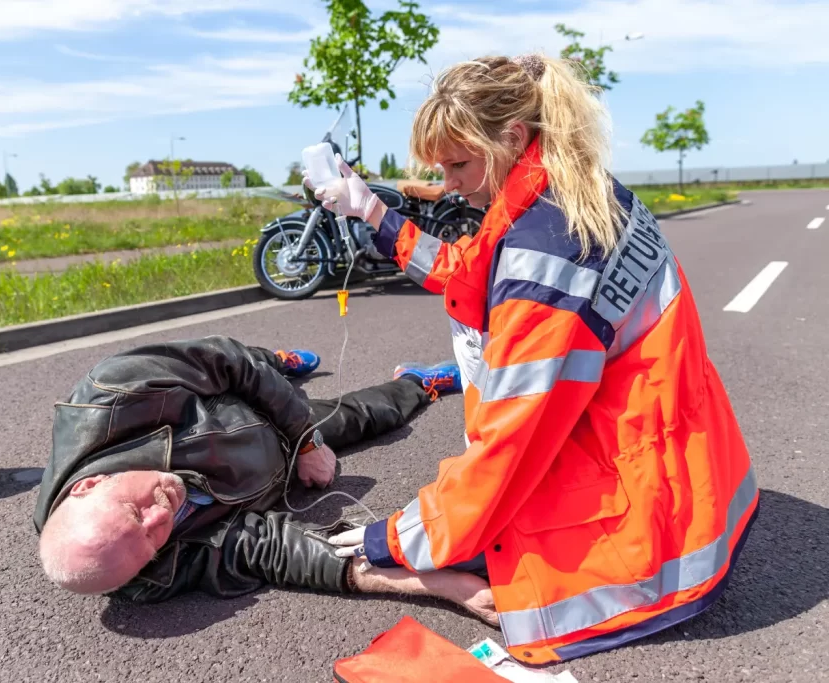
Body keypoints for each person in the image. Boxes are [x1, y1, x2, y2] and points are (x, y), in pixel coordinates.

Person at [306, 53, 759, 665]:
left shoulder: (547, 249)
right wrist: (374, 214)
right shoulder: (575, 195)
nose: (450, 183)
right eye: (441, 166)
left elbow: (510, 443)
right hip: (692, 459)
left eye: (460, 164)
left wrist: (399, 538)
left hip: (652, 507)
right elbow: (470, 273)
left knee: (509, 537)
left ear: (513, 137)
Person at [32, 335, 498, 621]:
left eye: (136, 511)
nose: (163, 515)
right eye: (154, 539)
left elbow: (223, 359)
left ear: (87, 485)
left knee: (258, 370)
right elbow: (274, 551)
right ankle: (419, 381)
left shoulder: (110, 394)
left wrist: (308, 442)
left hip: (243, 401)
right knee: (364, 417)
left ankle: (275, 360)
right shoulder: (141, 572)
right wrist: (437, 584)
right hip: (266, 465)